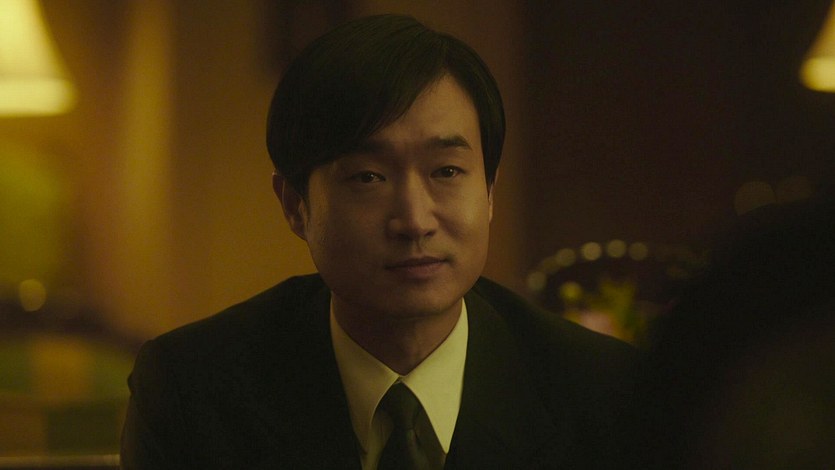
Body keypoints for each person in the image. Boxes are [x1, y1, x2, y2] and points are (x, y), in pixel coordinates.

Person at [120, 14, 636, 469]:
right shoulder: (193, 389)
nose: (414, 220)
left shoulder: (602, 392)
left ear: (489, 192)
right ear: (295, 205)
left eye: (446, 171)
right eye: (368, 177)